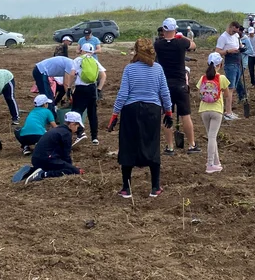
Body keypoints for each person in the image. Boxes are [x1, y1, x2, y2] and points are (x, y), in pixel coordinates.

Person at [109, 38, 172, 199]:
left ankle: (126, 188)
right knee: (152, 145)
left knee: (128, 145)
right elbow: (164, 92)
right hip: (152, 110)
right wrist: (169, 112)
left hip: (131, 110)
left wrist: (115, 115)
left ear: (136, 51)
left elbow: (123, 94)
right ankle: (155, 187)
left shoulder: (129, 69)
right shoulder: (158, 69)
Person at [154, 18, 200, 154]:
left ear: (163, 30)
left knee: (167, 115)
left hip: (165, 85)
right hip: (180, 84)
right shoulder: (181, 42)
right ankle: (191, 145)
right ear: (175, 29)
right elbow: (193, 45)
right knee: (186, 115)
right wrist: (181, 35)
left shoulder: (158, 44)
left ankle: (170, 147)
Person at [24, 111, 84, 184]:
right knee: (71, 171)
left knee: (63, 166)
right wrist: (72, 168)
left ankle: (32, 170)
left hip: (36, 159)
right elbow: (66, 155)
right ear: (72, 124)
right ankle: (43, 174)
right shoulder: (66, 134)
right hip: (45, 160)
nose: (77, 129)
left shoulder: (57, 130)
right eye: (77, 126)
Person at [196, 53, 229, 173]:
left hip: (204, 109)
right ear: (220, 64)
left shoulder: (202, 78)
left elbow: (199, 93)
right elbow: (226, 94)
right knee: (212, 137)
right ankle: (210, 164)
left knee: (211, 136)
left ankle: (216, 162)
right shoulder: (222, 78)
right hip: (217, 110)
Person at [71, 43, 105, 145]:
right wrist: (99, 89)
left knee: (76, 112)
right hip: (92, 88)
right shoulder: (94, 60)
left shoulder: (77, 60)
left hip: (81, 88)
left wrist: (69, 87)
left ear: (82, 50)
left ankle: (80, 133)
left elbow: (72, 74)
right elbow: (103, 75)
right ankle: (94, 137)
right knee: (92, 114)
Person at [216, 21, 244, 119]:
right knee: (230, 88)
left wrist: (241, 47)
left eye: (236, 31)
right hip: (230, 63)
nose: (234, 33)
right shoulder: (223, 37)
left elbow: (239, 45)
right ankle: (228, 112)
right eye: (233, 31)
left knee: (233, 88)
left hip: (238, 62)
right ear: (230, 27)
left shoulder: (236, 35)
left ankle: (230, 111)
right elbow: (217, 52)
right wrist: (228, 51)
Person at [78, 29, 107, 100]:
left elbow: (99, 50)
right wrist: (81, 52)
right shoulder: (81, 40)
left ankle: (98, 93)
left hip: (93, 60)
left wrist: (92, 52)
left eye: (88, 35)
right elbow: (77, 49)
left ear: (91, 34)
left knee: (96, 77)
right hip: (84, 60)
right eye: (85, 35)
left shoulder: (95, 39)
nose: (87, 37)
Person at [237, 26, 254, 102]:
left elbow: (251, 51)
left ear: (241, 31)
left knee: (237, 79)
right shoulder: (236, 38)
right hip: (236, 62)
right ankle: (242, 94)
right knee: (237, 79)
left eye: (238, 31)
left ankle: (242, 94)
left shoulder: (246, 39)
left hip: (243, 63)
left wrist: (242, 51)